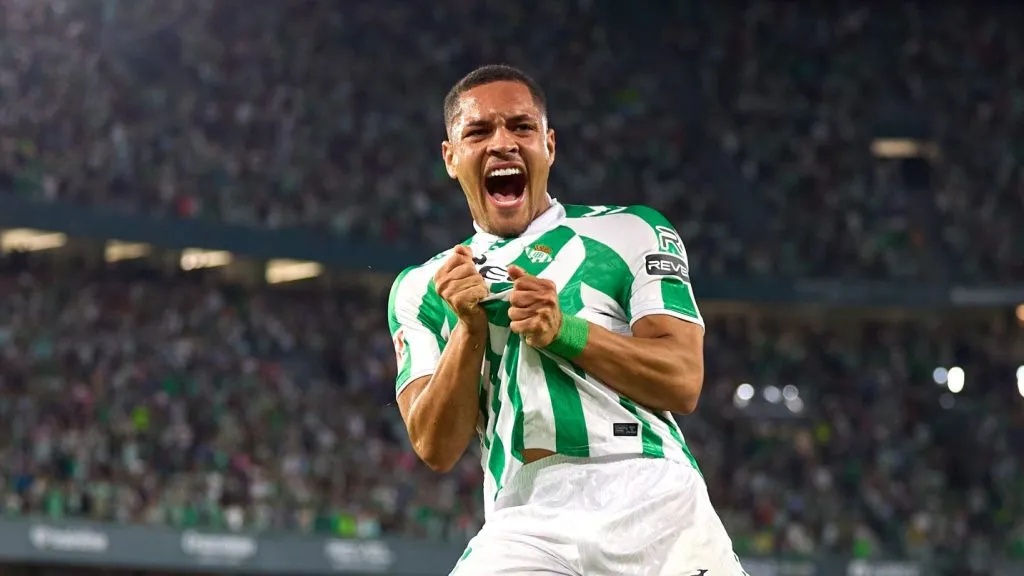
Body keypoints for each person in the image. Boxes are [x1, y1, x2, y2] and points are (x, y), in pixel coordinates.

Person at [387, 64, 746, 576]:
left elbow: (682, 381)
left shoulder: (631, 232)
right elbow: (435, 447)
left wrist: (565, 332)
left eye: (521, 127)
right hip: (526, 515)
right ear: (450, 157)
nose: (503, 143)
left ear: (549, 145)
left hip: (652, 496)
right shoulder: (423, 287)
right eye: (479, 131)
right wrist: (467, 331)